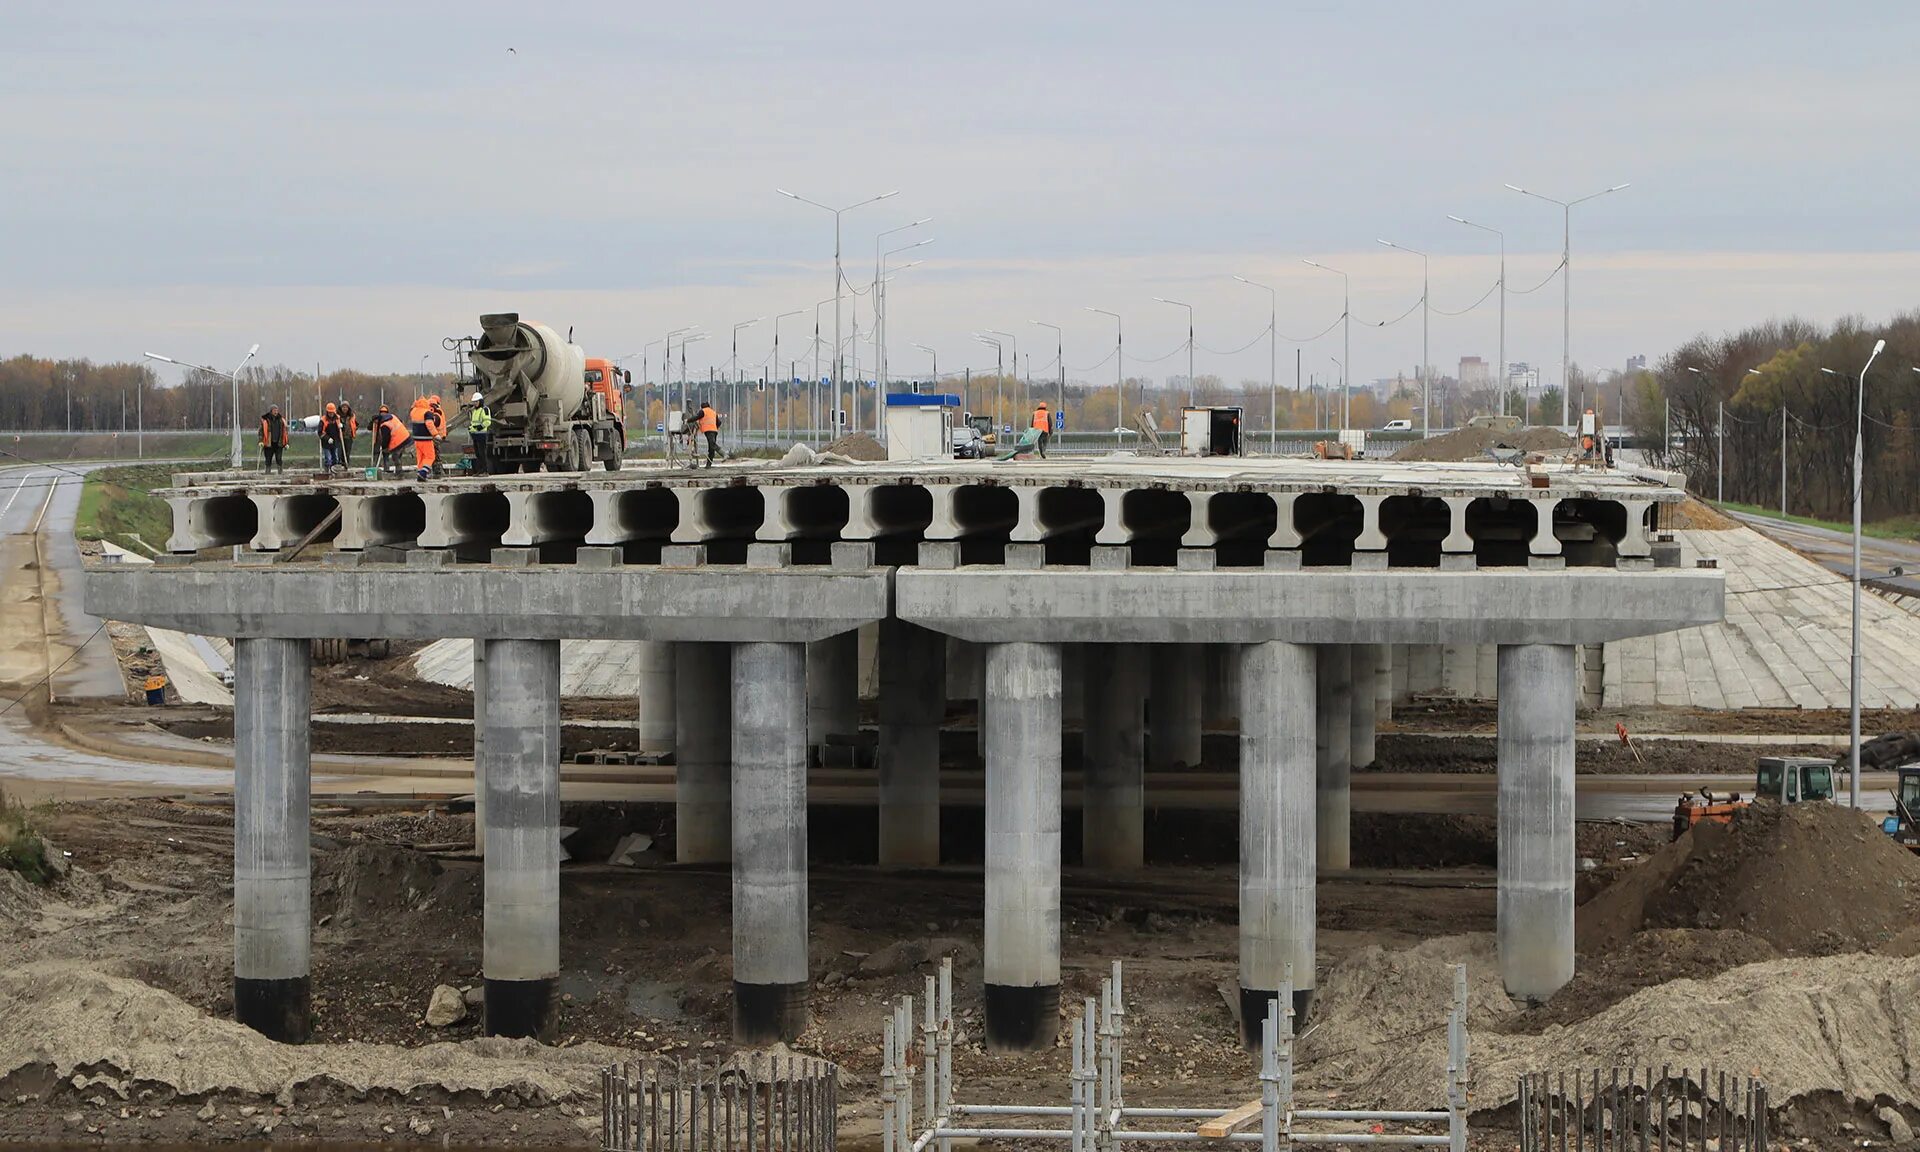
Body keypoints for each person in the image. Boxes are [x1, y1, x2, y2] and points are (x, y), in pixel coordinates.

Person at [372, 404, 411, 478]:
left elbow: (386, 438)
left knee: (395, 456)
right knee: (397, 456)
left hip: (399, 440)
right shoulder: (392, 417)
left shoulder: (384, 425)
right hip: (405, 437)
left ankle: (399, 473)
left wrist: (384, 447)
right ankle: (399, 471)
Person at [467, 390, 493, 475]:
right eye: (474, 402)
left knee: (482, 453)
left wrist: (480, 427)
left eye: (476, 402)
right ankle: (480, 470)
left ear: (480, 401)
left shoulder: (484, 409)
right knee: (477, 454)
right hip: (475, 435)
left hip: (481, 434)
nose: (475, 403)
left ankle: (485, 470)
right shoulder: (474, 411)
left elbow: (487, 421)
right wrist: (470, 428)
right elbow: (473, 422)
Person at [258, 405, 288, 474]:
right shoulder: (266, 420)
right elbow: (261, 432)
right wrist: (261, 441)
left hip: (279, 443)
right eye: (274, 410)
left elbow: (285, 432)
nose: (276, 412)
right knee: (268, 459)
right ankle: (267, 472)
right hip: (269, 443)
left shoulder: (281, 420)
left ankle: (280, 472)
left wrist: (286, 443)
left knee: (279, 458)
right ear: (271, 411)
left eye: (277, 410)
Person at [319, 402, 346, 473]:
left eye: (332, 412)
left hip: (335, 442)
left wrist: (342, 426)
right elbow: (320, 432)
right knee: (328, 458)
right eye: (329, 412)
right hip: (326, 443)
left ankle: (334, 471)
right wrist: (327, 438)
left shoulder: (338, 418)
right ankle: (327, 470)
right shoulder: (323, 420)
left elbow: (343, 429)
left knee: (335, 458)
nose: (331, 414)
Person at [696, 401, 720, 468]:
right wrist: (715, 427)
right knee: (711, 448)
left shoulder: (703, 411)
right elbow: (719, 422)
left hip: (708, 430)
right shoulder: (713, 412)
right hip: (714, 431)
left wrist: (688, 420)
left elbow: (696, 417)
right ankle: (708, 464)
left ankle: (723, 454)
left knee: (712, 445)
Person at [338, 401, 358, 466]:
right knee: (340, 452)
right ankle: (340, 464)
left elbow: (356, 424)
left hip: (349, 436)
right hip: (340, 437)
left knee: (347, 452)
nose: (345, 408)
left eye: (346, 407)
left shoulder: (351, 416)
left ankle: (346, 465)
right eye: (343, 407)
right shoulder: (337, 416)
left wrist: (353, 429)